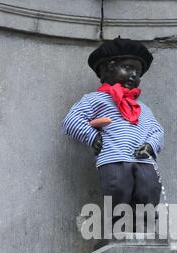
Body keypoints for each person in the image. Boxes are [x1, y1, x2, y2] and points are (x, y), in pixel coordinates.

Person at [63, 37, 164, 234]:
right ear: (107, 69)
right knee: (118, 189)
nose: (133, 75)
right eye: (128, 68)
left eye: (138, 72)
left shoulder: (142, 108)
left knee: (150, 188)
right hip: (114, 158)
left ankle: (145, 227)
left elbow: (157, 130)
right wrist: (93, 137)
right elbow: (71, 120)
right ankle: (119, 228)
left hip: (143, 161)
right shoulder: (96, 100)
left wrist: (151, 146)